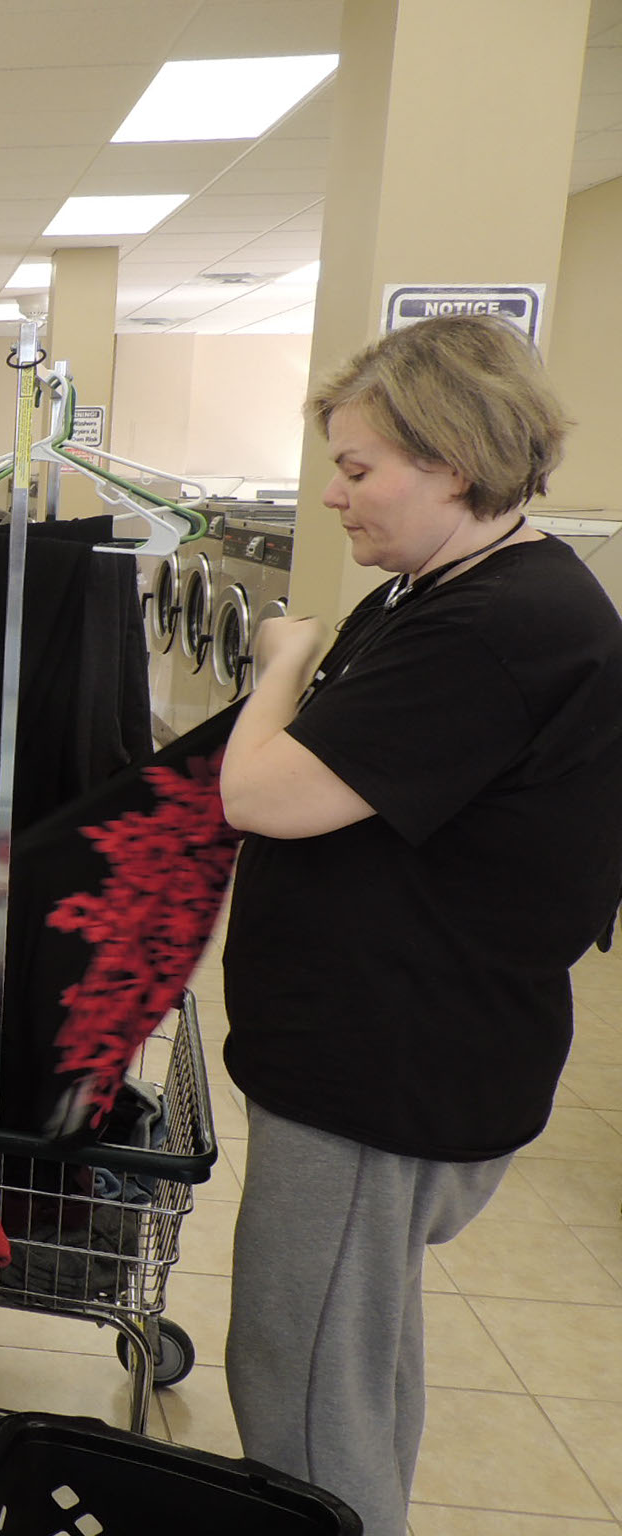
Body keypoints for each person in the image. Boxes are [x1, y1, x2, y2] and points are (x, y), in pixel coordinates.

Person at [217, 315, 622, 1535]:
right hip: (375, 1047)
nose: (333, 497)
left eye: (355, 469)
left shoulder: (496, 626)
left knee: (297, 1384)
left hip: (383, 1071)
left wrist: (275, 668)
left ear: (450, 460)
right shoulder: (438, 591)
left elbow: (262, 792)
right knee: (354, 1349)